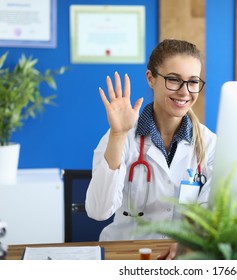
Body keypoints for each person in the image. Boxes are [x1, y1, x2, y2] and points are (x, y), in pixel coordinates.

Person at [85, 39, 217, 260]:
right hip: (125, 256)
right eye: (174, 80)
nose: (185, 92)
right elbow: (99, 211)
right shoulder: (122, 135)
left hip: (182, 259)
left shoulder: (209, 143)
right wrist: (117, 135)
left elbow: (212, 213)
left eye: (193, 82)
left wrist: (191, 241)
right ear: (151, 78)